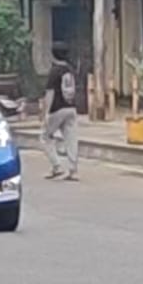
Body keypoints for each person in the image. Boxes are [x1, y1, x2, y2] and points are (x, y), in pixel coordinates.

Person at [42, 42, 80, 181]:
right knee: (71, 138)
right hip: (71, 107)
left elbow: (50, 93)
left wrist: (46, 113)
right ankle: (73, 169)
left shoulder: (55, 71)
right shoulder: (70, 69)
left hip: (57, 108)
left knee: (45, 137)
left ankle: (57, 166)